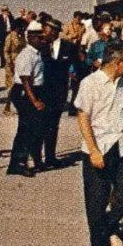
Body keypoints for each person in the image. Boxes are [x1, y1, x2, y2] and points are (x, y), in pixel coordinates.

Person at [75, 43, 123, 246]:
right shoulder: (90, 83)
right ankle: (99, 243)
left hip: (120, 145)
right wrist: (93, 150)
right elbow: (83, 117)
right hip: (98, 146)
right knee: (97, 197)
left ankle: (107, 225)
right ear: (117, 62)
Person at [7, 21, 46, 177]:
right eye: (39, 38)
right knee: (26, 128)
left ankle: (24, 160)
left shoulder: (36, 53)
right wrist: (34, 100)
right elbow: (25, 80)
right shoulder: (26, 55)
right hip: (25, 92)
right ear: (30, 37)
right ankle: (18, 163)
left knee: (32, 128)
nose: (42, 41)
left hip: (32, 90)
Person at [40, 18, 78, 169]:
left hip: (59, 92)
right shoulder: (40, 46)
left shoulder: (69, 47)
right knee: (40, 124)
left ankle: (50, 157)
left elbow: (77, 66)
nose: (44, 33)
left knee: (53, 125)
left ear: (54, 31)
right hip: (42, 91)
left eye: (46, 30)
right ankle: (37, 158)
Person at [2, 18, 26, 116]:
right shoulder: (10, 36)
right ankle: (7, 107)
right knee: (11, 87)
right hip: (12, 64)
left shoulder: (22, 36)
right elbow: (6, 51)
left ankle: (17, 106)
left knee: (20, 86)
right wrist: (9, 63)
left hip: (21, 63)